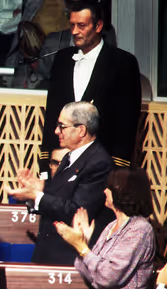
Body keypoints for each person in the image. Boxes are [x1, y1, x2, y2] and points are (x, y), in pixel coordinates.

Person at [40, 1, 141, 173]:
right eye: (72, 25)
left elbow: (127, 122)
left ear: (98, 26)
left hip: (101, 165)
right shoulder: (62, 60)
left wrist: (117, 170)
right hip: (63, 163)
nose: (74, 32)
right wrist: (45, 164)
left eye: (81, 26)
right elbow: (52, 114)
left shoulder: (123, 63)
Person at [9, 102, 113, 265]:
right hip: (47, 251)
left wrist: (38, 196)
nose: (56, 131)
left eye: (61, 126)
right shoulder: (69, 157)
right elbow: (60, 196)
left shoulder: (99, 163)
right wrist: (39, 188)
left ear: (81, 130)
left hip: (67, 258)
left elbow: (76, 211)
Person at [55, 168, 156, 289]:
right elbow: (91, 274)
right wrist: (82, 244)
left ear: (122, 192)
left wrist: (83, 248)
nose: (105, 191)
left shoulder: (140, 229)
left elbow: (108, 276)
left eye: (109, 187)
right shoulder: (111, 226)